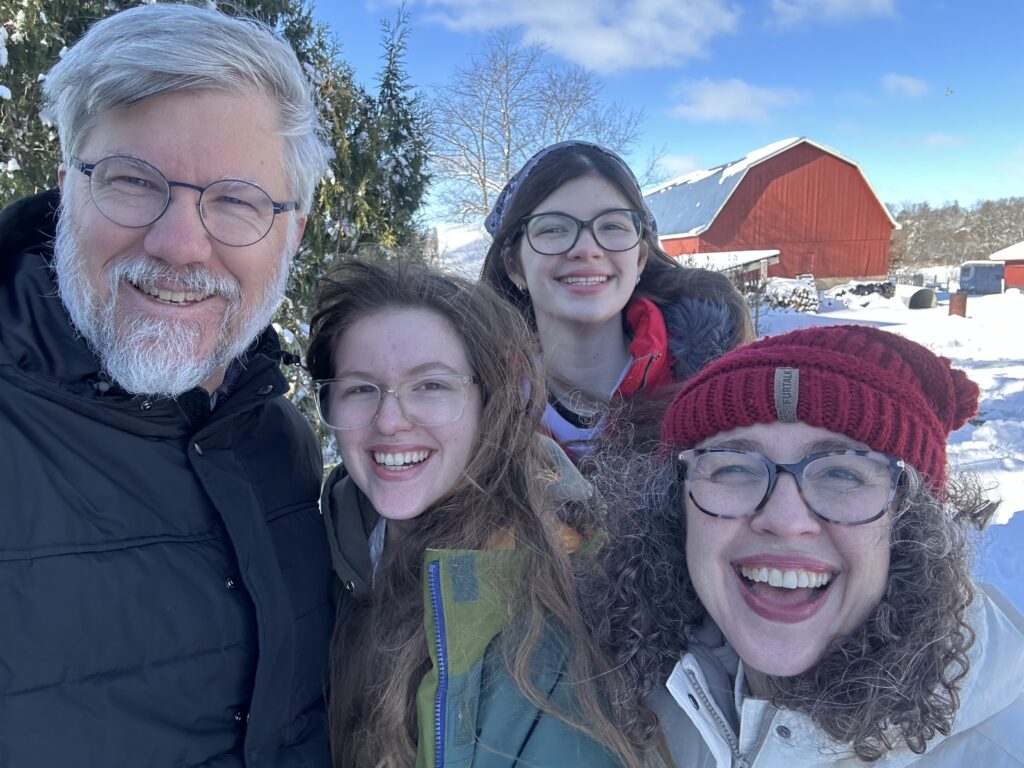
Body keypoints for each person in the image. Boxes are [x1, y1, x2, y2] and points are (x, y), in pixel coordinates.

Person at [0, 5, 334, 766]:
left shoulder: (275, 435)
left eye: (237, 201)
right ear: (66, 189)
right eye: (131, 181)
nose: (181, 244)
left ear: (294, 231)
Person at [586, 324, 1024, 766]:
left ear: (912, 524)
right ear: (674, 507)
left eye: (842, 473)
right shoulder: (610, 705)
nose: (784, 519)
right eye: (733, 469)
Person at [306, 260, 642, 768]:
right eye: (360, 388)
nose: (391, 421)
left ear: (491, 400)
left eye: (432, 386)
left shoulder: (557, 595)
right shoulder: (335, 552)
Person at [480, 141, 754, 459]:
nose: (586, 248)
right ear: (514, 265)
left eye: (612, 225)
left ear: (639, 259)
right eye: (553, 228)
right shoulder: (474, 406)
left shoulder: (723, 393)